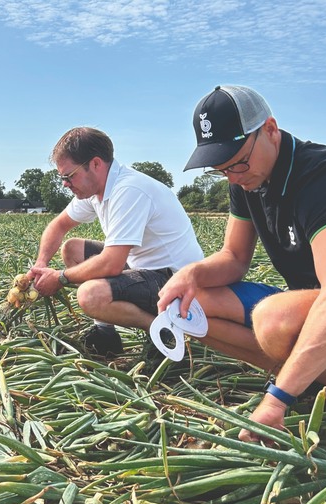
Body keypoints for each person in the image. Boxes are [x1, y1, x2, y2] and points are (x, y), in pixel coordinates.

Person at [158, 85, 326, 466]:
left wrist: (276, 400)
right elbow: (234, 257)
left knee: (274, 320)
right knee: (195, 304)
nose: (233, 177)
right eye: (221, 168)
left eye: (238, 162)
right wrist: (192, 274)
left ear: (270, 129)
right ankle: (315, 376)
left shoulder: (324, 179)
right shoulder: (247, 178)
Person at [26, 127, 204, 360]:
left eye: (69, 176)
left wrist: (60, 277)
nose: (65, 184)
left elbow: (111, 263)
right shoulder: (94, 191)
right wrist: (41, 265)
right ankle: (105, 334)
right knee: (72, 248)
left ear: (96, 164)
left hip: (175, 280)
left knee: (89, 296)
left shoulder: (129, 190)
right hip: (142, 268)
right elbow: (58, 225)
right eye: (62, 178)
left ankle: (167, 333)